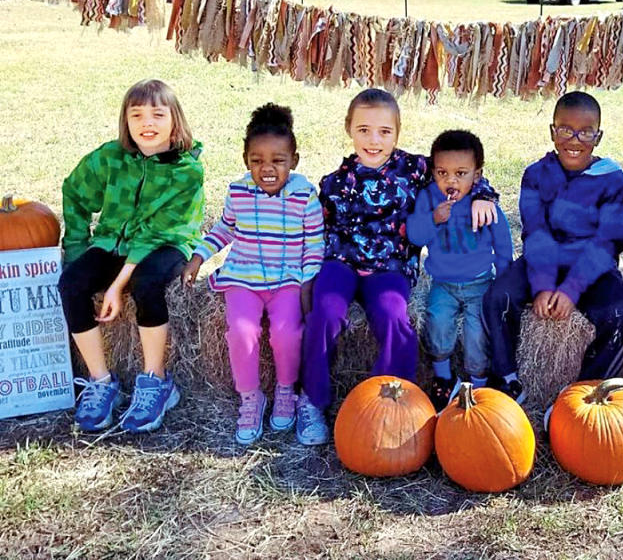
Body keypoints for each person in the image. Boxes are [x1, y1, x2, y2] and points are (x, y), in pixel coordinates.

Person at [298, 89, 498, 444]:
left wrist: (482, 193)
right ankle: (313, 399)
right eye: (363, 130)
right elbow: (317, 230)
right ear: (349, 129)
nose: (373, 140)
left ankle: (388, 400)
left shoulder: (417, 169)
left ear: (398, 131)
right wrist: (305, 277)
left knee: (394, 318)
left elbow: (459, 174)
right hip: (340, 263)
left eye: (384, 132)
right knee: (324, 313)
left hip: (390, 267)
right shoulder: (333, 183)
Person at [59, 79, 204, 433]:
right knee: (72, 283)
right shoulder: (111, 158)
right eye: (136, 114)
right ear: (126, 121)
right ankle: (100, 381)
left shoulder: (187, 172)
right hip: (114, 242)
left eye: (157, 114)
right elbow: (74, 191)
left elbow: (155, 233)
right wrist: (78, 248)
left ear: (175, 120)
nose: (146, 123)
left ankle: (156, 379)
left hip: (165, 243)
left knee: (148, 282)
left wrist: (116, 285)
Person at [181, 104, 323, 445]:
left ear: (295, 161)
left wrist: (306, 283)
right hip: (244, 278)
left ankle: (286, 390)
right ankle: (251, 397)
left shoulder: (305, 196)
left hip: (287, 279)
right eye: (257, 160)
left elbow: (315, 246)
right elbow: (225, 229)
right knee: (241, 333)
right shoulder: (239, 192)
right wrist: (199, 256)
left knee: (287, 333)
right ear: (246, 160)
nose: (267, 168)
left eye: (278, 160)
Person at [482, 91, 623, 405]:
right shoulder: (536, 175)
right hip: (542, 259)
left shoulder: (615, 181)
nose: (575, 140)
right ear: (552, 131)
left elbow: (607, 243)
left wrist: (571, 290)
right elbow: (536, 234)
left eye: (586, 132)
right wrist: (543, 286)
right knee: (498, 297)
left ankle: (587, 392)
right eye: (565, 129)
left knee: (621, 313)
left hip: (593, 265)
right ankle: (506, 377)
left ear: (599, 136)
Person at [407, 130, 513, 409]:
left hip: (480, 284)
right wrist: (433, 218)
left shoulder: (484, 205)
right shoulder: (430, 199)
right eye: (442, 173)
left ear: (477, 175)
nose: (450, 181)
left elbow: (503, 243)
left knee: (477, 333)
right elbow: (416, 236)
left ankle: (479, 385)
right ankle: (444, 379)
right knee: (437, 322)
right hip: (443, 282)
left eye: (461, 173)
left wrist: (502, 283)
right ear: (433, 172)